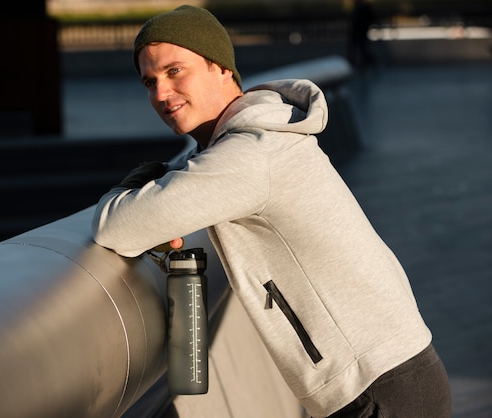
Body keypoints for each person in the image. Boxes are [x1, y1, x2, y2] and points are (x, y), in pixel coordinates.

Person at [92, 5, 451, 417]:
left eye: (175, 72)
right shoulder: (256, 138)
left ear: (221, 69)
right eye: (149, 81)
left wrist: (136, 183)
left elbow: (116, 225)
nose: (160, 93)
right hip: (391, 376)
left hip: (377, 390)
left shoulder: (248, 156)